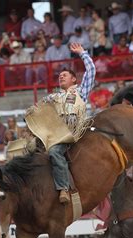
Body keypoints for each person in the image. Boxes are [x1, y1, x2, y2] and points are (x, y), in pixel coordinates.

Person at [41, 42, 95, 203]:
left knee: (55, 152)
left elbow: (91, 70)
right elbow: (39, 109)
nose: (61, 76)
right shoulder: (54, 97)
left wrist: (82, 53)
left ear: (74, 79)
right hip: (57, 134)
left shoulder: (80, 91)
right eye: (59, 76)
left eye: (65, 75)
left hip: (73, 133)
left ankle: (63, 188)